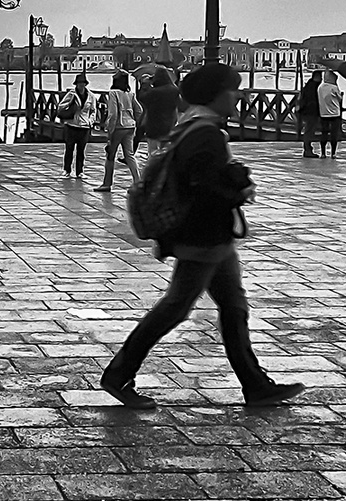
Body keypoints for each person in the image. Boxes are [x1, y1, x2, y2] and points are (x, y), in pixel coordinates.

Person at [101, 63, 305, 410]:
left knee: (233, 307)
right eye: (233, 90)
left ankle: (255, 385)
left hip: (211, 240)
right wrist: (237, 185)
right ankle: (118, 374)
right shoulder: (206, 134)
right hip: (204, 238)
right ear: (217, 94)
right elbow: (205, 186)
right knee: (176, 308)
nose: (238, 96)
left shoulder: (192, 127)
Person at [96, 71, 143, 193]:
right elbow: (139, 110)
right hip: (130, 126)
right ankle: (137, 182)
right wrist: (136, 122)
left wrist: (109, 131)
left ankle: (107, 183)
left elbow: (113, 113)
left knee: (110, 154)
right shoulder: (130, 94)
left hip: (118, 126)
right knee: (130, 155)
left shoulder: (113, 93)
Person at [137, 68, 181, 158]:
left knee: (153, 153)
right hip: (169, 124)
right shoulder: (174, 89)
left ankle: (153, 170)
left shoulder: (154, 92)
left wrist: (145, 85)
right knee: (166, 152)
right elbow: (179, 104)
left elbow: (142, 98)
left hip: (154, 125)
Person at [59, 73, 93, 178]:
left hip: (84, 126)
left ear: (85, 84)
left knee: (81, 150)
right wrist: (70, 104)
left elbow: (93, 110)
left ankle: (80, 171)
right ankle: (67, 170)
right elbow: (60, 106)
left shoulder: (91, 96)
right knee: (69, 148)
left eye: (82, 83)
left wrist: (91, 121)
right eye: (79, 83)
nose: (81, 85)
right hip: (72, 124)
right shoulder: (71, 94)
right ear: (76, 84)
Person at [317, 71, 343, 158]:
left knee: (324, 133)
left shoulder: (320, 87)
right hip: (335, 113)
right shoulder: (334, 87)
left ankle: (323, 153)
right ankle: (333, 153)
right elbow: (340, 98)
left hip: (323, 113)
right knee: (334, 134)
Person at [297, 71, 322, 158]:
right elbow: (313, 100)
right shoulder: (314, 87)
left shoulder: (308, 86)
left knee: (309, 130)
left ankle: (307, 149)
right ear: (317, 77)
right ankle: (308, 150)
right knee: (309, 131)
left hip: (306, 111)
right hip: (311, 112)